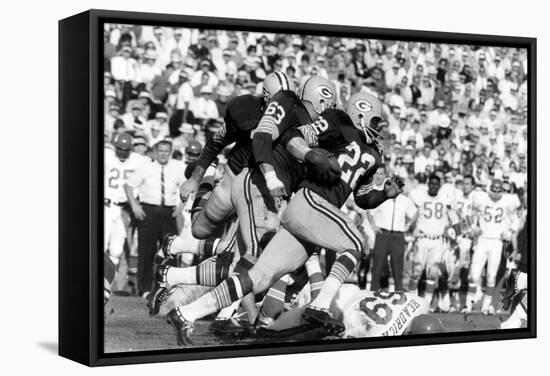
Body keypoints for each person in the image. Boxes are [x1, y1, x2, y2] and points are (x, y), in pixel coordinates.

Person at [164, 92, 403, 345]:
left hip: (316, 217)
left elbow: (363, 196)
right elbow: (295, 135)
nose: (379, 129)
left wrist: (384, 195)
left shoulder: (374, 156)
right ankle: (320, 306)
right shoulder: (338, 121)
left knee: (258, 278)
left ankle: (186, 314)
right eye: (376, 122)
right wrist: (311, 155)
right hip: (310, 201)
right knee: (356, 242)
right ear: (362, 112)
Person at [123, 140, 187, 297]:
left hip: (169, 213)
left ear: (170, 152)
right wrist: (135, 206)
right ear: (155, 152)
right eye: (161, 151)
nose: (163, 154)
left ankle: (168, 288)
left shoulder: (177, 168)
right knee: (146, 251)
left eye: (167, 151)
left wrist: (181, 207)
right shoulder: (146, 168)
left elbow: (187, 188)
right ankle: (145, 288)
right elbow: (128, 186)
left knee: (169, 251)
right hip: (149, 212)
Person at [464, 179, 519, 315]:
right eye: (493, 190)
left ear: (502, 191)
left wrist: (509, 231)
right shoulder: (481, 198)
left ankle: (485, 307)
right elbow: (468, 212)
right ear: (489, 189)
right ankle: (468, 306)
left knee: (491, 275)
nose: (495, 193)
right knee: (474, 275)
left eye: (498, 190)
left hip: (496, 242)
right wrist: (473, 227)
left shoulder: (508, 201)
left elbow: (516, 220)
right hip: (482, 240)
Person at [103, 132, 146, 302]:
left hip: (124, 209)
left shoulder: (138, 160)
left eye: (125, 150)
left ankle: (107, 287)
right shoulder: (106, 155)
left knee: (115, 250)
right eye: (119, 149)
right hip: (106, 206)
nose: (122, 152)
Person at [408, 173, 460, 312]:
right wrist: (413, 229)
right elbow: (411, 217)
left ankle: (425, 305)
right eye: (431, 183)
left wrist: (458, 237)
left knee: (432, 274)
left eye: (436, 184)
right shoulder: (419, 196)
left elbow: (454, 219)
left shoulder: (444, 199)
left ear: (439, 186)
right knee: (416, 272)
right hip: (423, 239)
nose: (433, 186)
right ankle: (410, 304)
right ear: (427, 184)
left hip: (437, 241)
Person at [367, 165, 417, 291]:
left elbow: (415, 213)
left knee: (397, 268)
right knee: (377, 267)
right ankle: (372, 294)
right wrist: (373, 225)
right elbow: (370, 211)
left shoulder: (405, 200)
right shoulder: (382, 196)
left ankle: (398, 294)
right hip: (382, 234)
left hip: (398, 236)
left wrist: (409, 225)